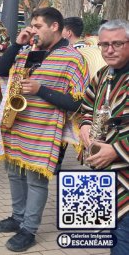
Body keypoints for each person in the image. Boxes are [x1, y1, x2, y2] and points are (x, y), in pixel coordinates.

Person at [0, 7, 88, 252]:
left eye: (37, 26)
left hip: (44, 130)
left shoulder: (72, 57)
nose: (32, 31)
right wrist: (16, 44)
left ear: (54, 26)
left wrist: (40, 90)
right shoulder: (26, 51)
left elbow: (78, 102)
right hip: (15, 124)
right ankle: (17, 216)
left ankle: (29, 230)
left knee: (36, 181)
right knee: (14, 174)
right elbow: (0, 72)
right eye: (31, 26)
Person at [79, 19, 128, 255]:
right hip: (104, 174)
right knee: (112, 239)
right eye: (104, 44)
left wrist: (117, 150)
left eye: (117, 44)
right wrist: (86, 126)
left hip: (125, 174)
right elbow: (87, 107)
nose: (109, 50)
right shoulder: (104, 74)